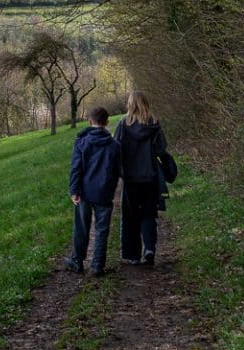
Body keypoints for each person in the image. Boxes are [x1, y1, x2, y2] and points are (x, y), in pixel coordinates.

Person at [66, 106, 121, 276]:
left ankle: (77, 261)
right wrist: (111, 187)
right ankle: (98, 265)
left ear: (90, 121)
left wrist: (74, 191)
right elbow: (117, 170)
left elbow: (76, 168)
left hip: (84, 192)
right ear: (107, 122)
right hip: (103, 192)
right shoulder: (114, 145)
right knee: (102, 228)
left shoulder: (81, 142)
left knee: (81, 226)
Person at [115, 91, 168, 266]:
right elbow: (161, 149)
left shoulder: (123, 123)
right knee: (148, 213)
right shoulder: (154, 123)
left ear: (130, 104)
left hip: (130, 178)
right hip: (150, 176)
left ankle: (133, 255)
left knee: (130, 215)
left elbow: (116, 148)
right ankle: (150, 248)